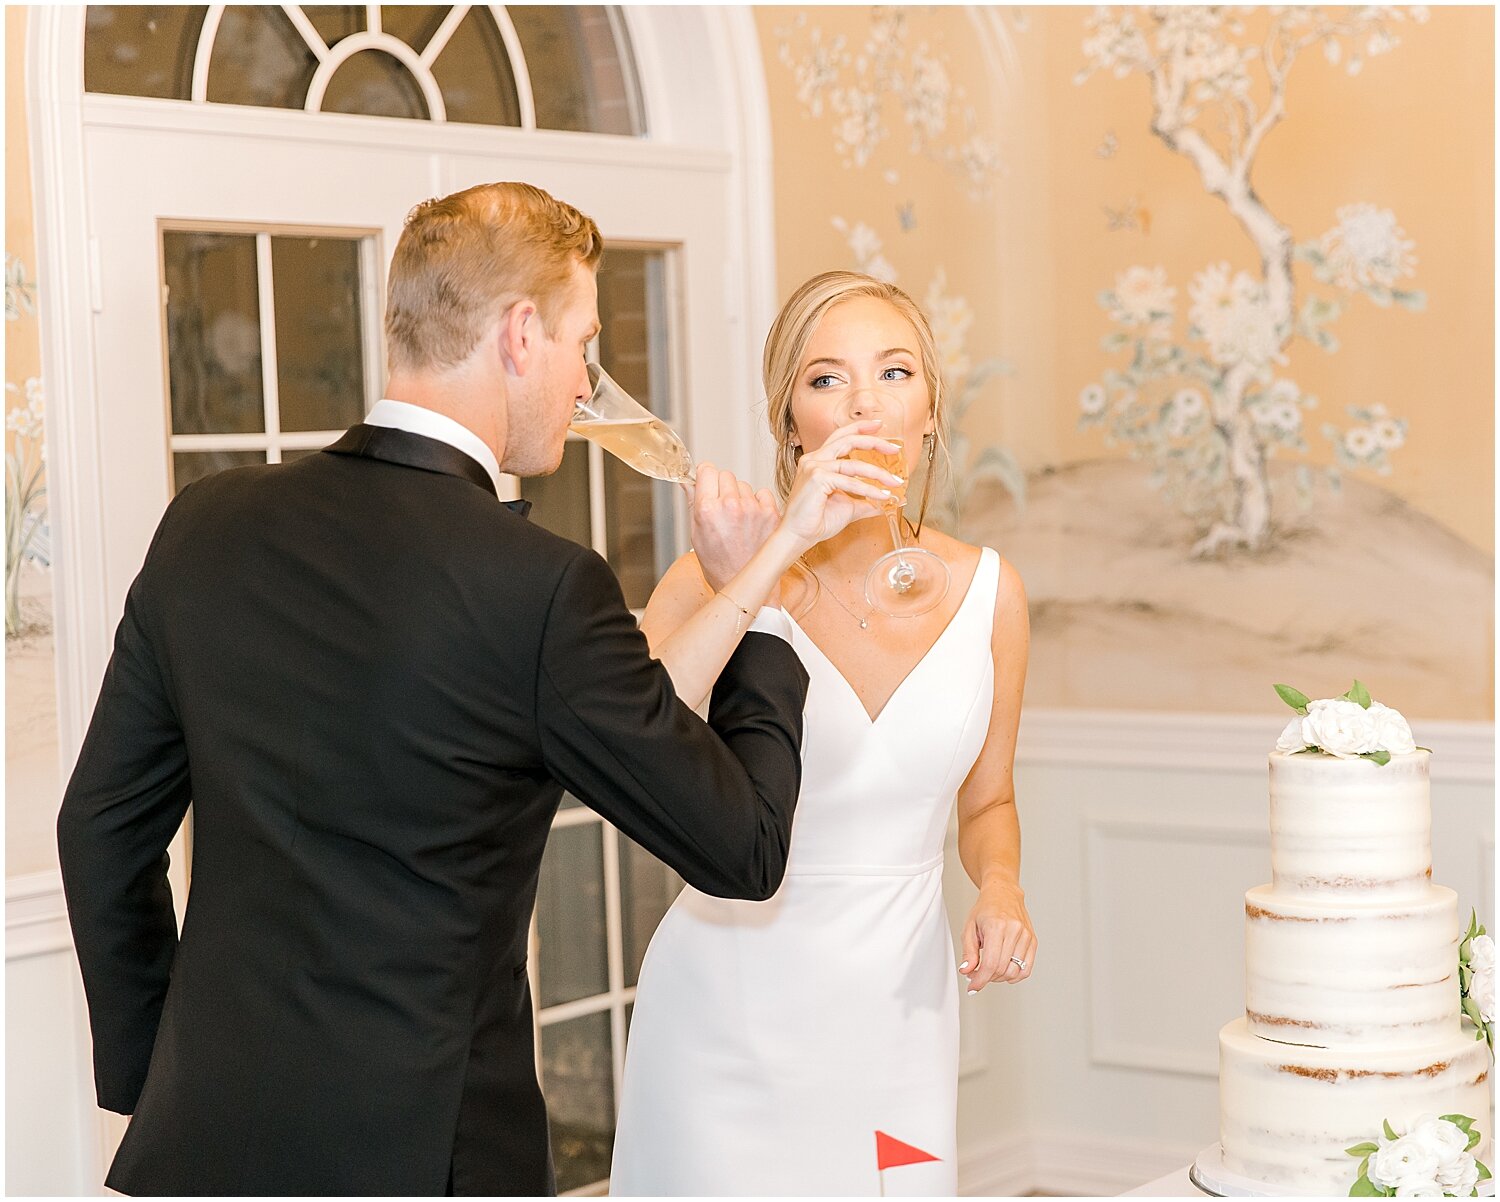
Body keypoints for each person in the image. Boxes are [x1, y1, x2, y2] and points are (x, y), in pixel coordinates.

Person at [55, 184, 902, 1197]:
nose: (586, 378)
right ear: (518, 335)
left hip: (200, 1145)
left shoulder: (205, 524)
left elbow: (99, 825)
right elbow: (745, 847)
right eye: (582, 340)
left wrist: (159, 1074)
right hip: (430, 1156)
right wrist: (763, 608)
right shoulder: (540, 584)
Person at [610, 271, 1035, 1196]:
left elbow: (989, 796)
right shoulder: (720, 573)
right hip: (727, 1010)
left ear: (930, 411)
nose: (865, 406)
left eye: (894, 372)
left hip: (898, 1015)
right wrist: (765, 562)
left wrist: (1000, 884)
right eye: (827, 379)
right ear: (790, 421)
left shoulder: (992, 594)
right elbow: (635, 737)